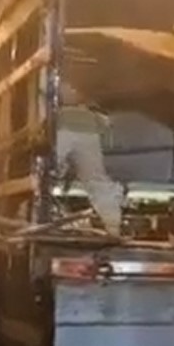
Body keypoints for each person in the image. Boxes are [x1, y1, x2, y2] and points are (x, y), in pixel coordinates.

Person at [57, 83, 123, 235]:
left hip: (61, 125)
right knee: (97, 181)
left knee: (45, 174)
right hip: (88, 128)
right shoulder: (91, 89)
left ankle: (35, 219)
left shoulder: (56, 80)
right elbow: (105, 121)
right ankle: (113, 227)